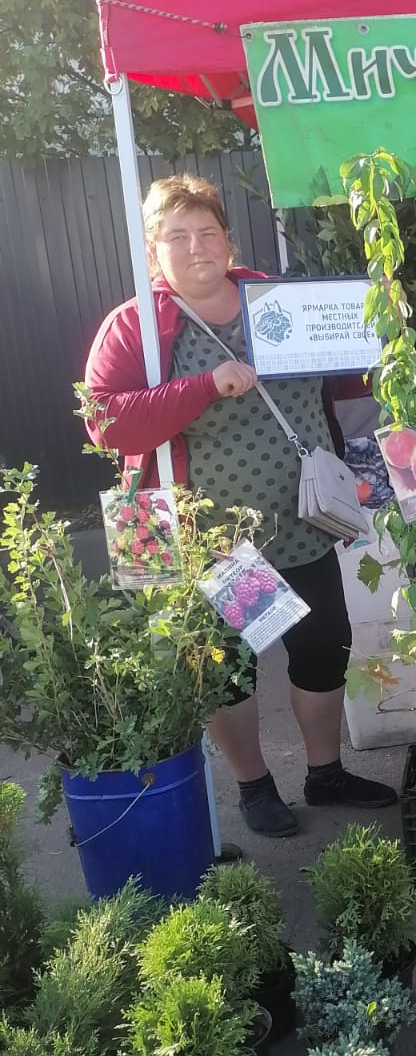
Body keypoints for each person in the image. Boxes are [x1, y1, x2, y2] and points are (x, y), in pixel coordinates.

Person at [84, 174, 396, 837]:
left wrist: (375, 332)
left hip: (305, 520)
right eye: (178, 236)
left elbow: (344, 375)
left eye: (208, 232)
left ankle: (324, 772)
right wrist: (201, 387)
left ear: (228, 238)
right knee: (232, 666)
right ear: (152, 249)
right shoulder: (139, 322)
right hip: (218, 537)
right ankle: (255, 786)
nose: (197, 247)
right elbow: (105, 420)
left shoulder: (275, 298)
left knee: (321, 643)